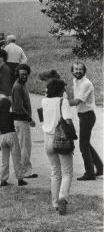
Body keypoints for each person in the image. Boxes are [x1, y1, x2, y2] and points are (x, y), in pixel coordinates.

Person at [41, 78, 76, 214]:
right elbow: (67, 120)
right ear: (61, 90)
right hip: (61, 138)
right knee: (67, 172)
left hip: (47, 139)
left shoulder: (44, 101)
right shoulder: (63, 101)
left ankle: (55, 203)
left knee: (55, 171)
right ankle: (63, 197)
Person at [69, 62, 103, 180]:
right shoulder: (75, 81)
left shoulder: (86, 84)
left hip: (87, 116)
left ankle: (89, 173)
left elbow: (77, 101)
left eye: (80, 69)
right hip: (82, 115)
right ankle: (99, 167)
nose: (78, 71)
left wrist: (60, 103)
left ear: (84, 71)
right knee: (86, 143)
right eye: (75, 69)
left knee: (83, 145)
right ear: (72, 71)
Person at [11, 64, 37, 179]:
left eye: (26, 74)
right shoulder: (17, 87)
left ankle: (22, 170)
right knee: (24, 147)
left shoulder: (22, 85)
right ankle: (25, 171)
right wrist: (29, 118)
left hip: (21, 120)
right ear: (17, 74)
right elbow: (19, 107)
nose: (24, 77)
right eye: (22, 75)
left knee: (24, 146)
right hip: (21, 121)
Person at [0, 97, 27, 187]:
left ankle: (3, 180)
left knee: (4, 160)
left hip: (2, 137)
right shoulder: (10, 114)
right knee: (16, 158)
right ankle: (20, 179)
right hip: (11, 135)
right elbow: (21, 116)